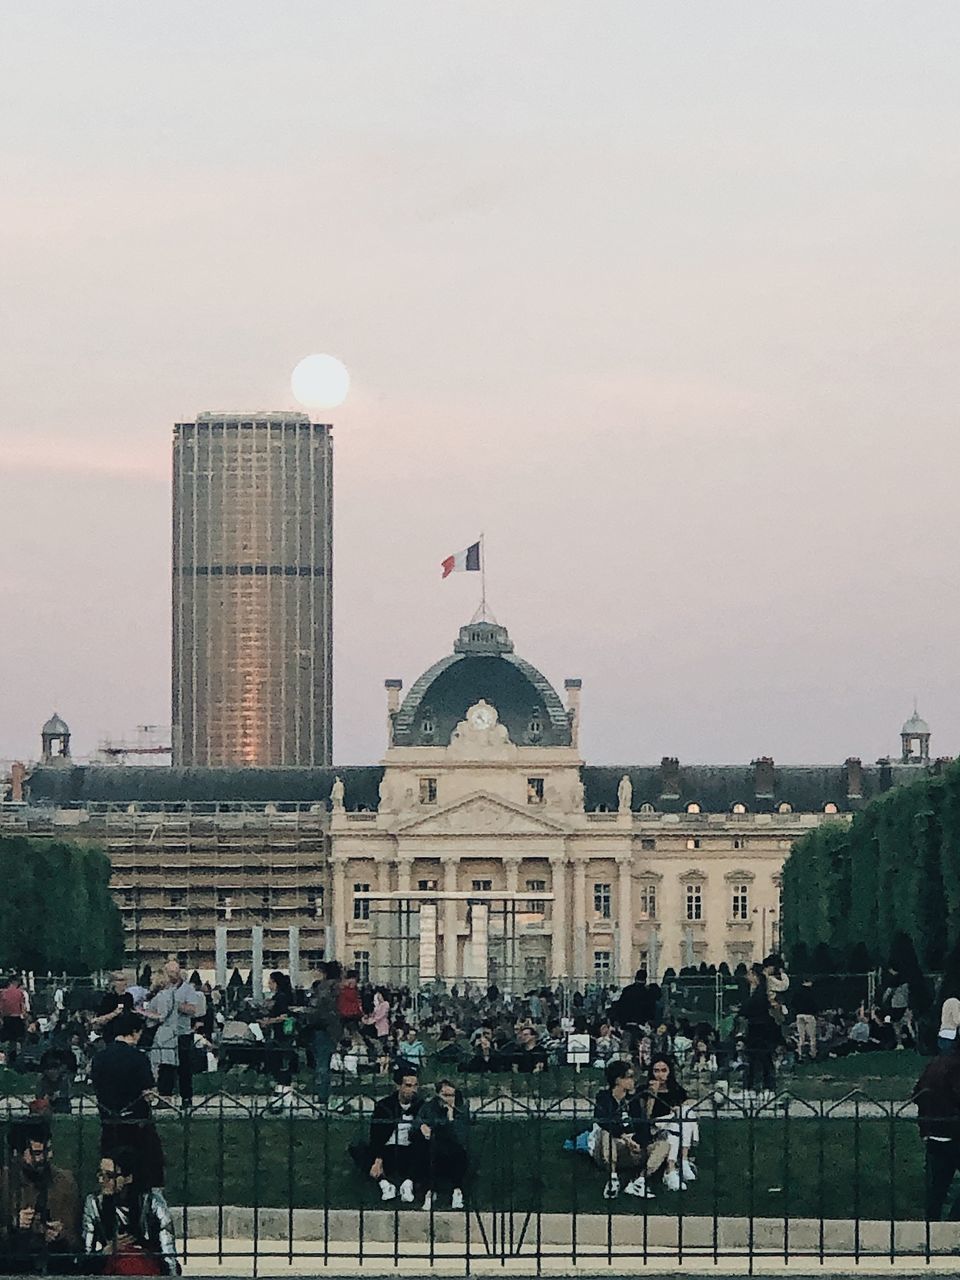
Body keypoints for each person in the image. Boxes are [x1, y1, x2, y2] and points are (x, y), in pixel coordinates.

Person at [90, 1013, 165, 1193]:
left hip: (109, 1121)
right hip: (136, 1123)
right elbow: (148, 1093)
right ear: (134, 1032)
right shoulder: (138, 1058)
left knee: (111, 1170)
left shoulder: (100, 1058)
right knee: (145, 1169)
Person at [0, 1118, 81, 1273]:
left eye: (47, 1151)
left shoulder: (65, 1182)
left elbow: (77, 1241)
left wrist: (61, 1235)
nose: (43, 1159)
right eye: (36, 1153)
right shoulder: (4, 1183)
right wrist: (13, 1226)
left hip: (56, 1266)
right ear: (15, 1154)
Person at [82, 1148, 180, 1275]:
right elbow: (86, 1254)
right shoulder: (94, 1202)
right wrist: (106, 1251)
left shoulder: (152, 1201)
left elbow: (167, 1250)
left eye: (110, 1176)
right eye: (100, 1174)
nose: (102, 1180)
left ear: (128, 1178)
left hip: (147, 1268)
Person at [592, 1061, 666, 1200]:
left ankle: (640, 1181)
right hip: (612, 1146)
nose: (633, 1081)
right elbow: (604, 1122)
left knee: (664, 1144)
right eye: (629, 1077)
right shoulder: (604, 1097)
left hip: (632, 1148)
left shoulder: (633, 1100)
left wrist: (638, 1142)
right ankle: (612, 1179)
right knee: (605, 1134)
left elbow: (642, 1125)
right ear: (618, 1080)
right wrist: (625, 1138)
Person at [914, 1042, 960, 1220]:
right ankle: (953, 1224)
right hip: (953, 1132)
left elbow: (917, 1093)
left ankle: (931, 1232)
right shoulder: (957, 1067)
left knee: (937, 1190)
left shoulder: (936, 1063)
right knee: (939, 1186)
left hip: (932, 1131)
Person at [365, 1069, 424, 1203]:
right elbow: (375, 1135)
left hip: (409, 1148)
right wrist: (378, 1159)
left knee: (424, 1150)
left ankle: (408, 1184)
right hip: (388, 1148)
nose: (413, 1090)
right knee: (359, 1150)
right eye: (408, 1086)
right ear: (398, 1086)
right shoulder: (384, 1106)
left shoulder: (420, 1105)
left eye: (415, 1086)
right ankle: (385, 1184)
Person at [644, 1057, 698, 1191]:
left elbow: (688, 1103)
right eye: (656, 1071)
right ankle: (678, 1166)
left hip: (673, 1123)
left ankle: (676, 1165)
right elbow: (646, 1116)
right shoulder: (645, 1089)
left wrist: (680, 1107)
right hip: (656, 1125)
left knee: (684, 1113)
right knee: (678, 1122)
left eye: (663, 1070)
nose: (660, 1074)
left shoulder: (675, 1089)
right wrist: (653, 1094)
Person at [418, 1080, 469, 1210]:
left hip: (453, 1149)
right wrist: (422, 1126)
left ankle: (457, 1191)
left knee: (458, 1154)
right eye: (444, 1095)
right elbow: (418, 1121)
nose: (448, 1099)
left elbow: (460, 1136)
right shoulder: (429, 1107)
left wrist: (450, 1116)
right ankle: (430, 1192)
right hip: (432, 1147)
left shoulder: (461, 1109)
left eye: (451, 1095)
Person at [261, 972, 297, 1109]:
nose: (269, 985)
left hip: (281, 1034)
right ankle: (284, 1092)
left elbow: (283, 1016)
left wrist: (269, 1021)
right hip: (282, 1034)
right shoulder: (284, 996)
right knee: (281, 1063)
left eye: (270, 982)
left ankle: (283, 1091)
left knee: (278, 1061)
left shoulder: (280, 997)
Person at [306, 964, 341, 1105]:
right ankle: (326, 1093)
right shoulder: (340, 987)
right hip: (334, 1029)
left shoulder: (324, 988)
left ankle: (322, 1095)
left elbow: (316, 1008)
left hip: (322, 1028)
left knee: (321, 1063)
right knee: (326, 1062)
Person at [142, 969, 179, 1104]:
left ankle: (164, 1096)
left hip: (164, 1033)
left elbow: (162, 1016)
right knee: (166, 1065)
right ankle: (165, 1096)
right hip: (170, 1032)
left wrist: (144, 1013)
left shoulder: (163, 996)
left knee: (163, 1065)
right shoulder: (171, 994)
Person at [172, 964, 205, 1110]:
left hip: (182, 1033)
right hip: (165, 1033)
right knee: (165, 1067)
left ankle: (186, 1098)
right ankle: (164, 1096)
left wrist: (176, 1004)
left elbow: (193, 1009)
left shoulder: (188, 990)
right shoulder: (163, 988)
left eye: (173, 972)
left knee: (184, 1067)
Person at [742, 965, 779, 1095]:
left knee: (762, 1057)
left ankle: (765, 1087)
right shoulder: (755, 991)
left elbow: (750, 1008)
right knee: (755, 1058)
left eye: (749, 974)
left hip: (759, 1028)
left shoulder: (760, 993)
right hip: (757, 1027)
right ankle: (755, 1086)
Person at [93, 974, 136, 1043]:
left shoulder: (128, 997)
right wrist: (115, 1013)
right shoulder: (108, 998)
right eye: (121, 980)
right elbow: (100, 1019)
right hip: (112, 1032)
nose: (124, 983)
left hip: (127, 1033)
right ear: (113, 982)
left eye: (125, 980)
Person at [0, 977, 28, 1067]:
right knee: (19, 1040)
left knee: (8, 1041)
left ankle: (7, 1058)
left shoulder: (3, 993)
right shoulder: (20, 993)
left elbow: (1, 1008)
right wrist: (25, 1018)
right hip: (17, 1018)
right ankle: (19, 1059)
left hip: (7, 1019)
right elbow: (23, 1007)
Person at [793, 979, 818, 1060]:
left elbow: (793, 1003)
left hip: (799, 1015)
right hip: (809, 1015)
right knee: (812, 1037)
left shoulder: (797, 992)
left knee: (801, 1037)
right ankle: (813, 1054)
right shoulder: (811, 992)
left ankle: (800, 1054)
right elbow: (814, 1004)